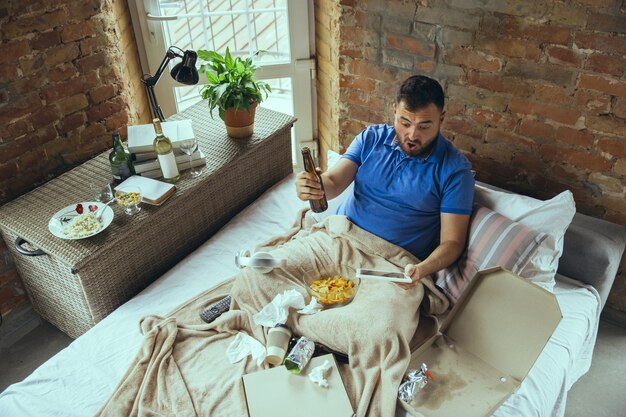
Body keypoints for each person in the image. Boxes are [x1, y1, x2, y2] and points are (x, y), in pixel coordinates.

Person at [296, 75, 475, 288]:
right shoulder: (371, 138)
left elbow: (452, 243)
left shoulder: (455, 171)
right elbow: (333, 183)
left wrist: (422, 269)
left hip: (392, 264)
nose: (412, 135)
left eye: (424, 126)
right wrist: (313, 186)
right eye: (404, 122)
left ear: (441, 119)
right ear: (394, 111)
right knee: (265, 274)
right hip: (341, 238)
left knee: (380, 320)